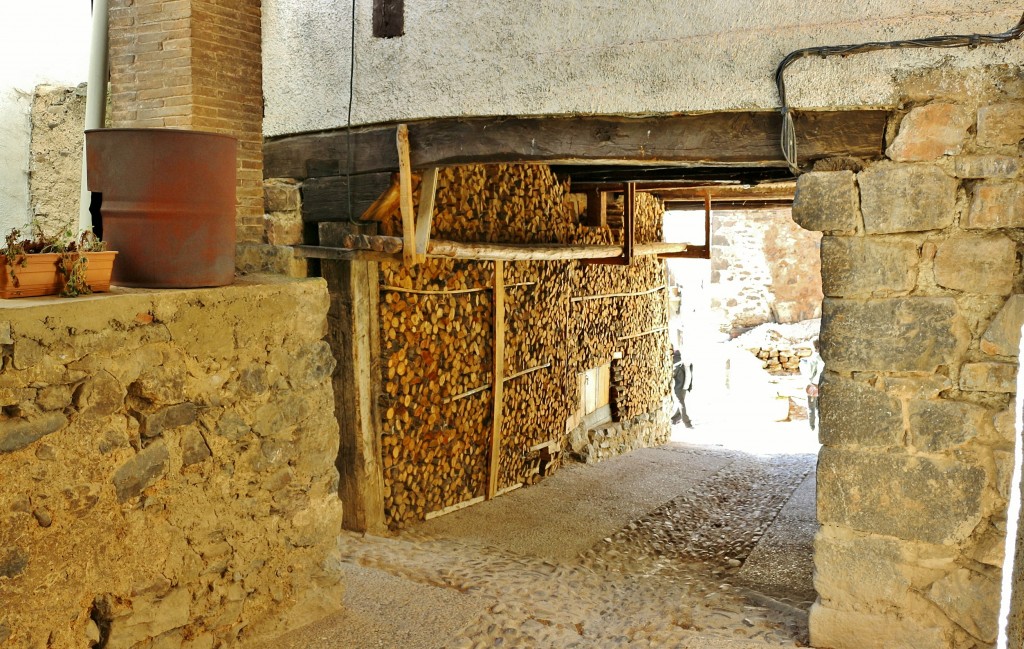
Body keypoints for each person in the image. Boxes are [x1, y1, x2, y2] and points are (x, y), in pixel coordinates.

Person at [799, 339, 824, 431]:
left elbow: (810, 374)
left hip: (814, 385)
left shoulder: (814, 357)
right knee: (821, 408)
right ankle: (821, 425)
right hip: (823, 384)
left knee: (811, 407)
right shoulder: (825, 356)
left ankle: (812, 427)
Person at [671, 347, 694, 428]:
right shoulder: (684, 365)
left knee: (681, 404)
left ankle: (680, 421)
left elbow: (672, 375)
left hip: (682, 387)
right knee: (681, 404)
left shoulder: (680, 365)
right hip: (682, 387)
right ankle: (680, 421)